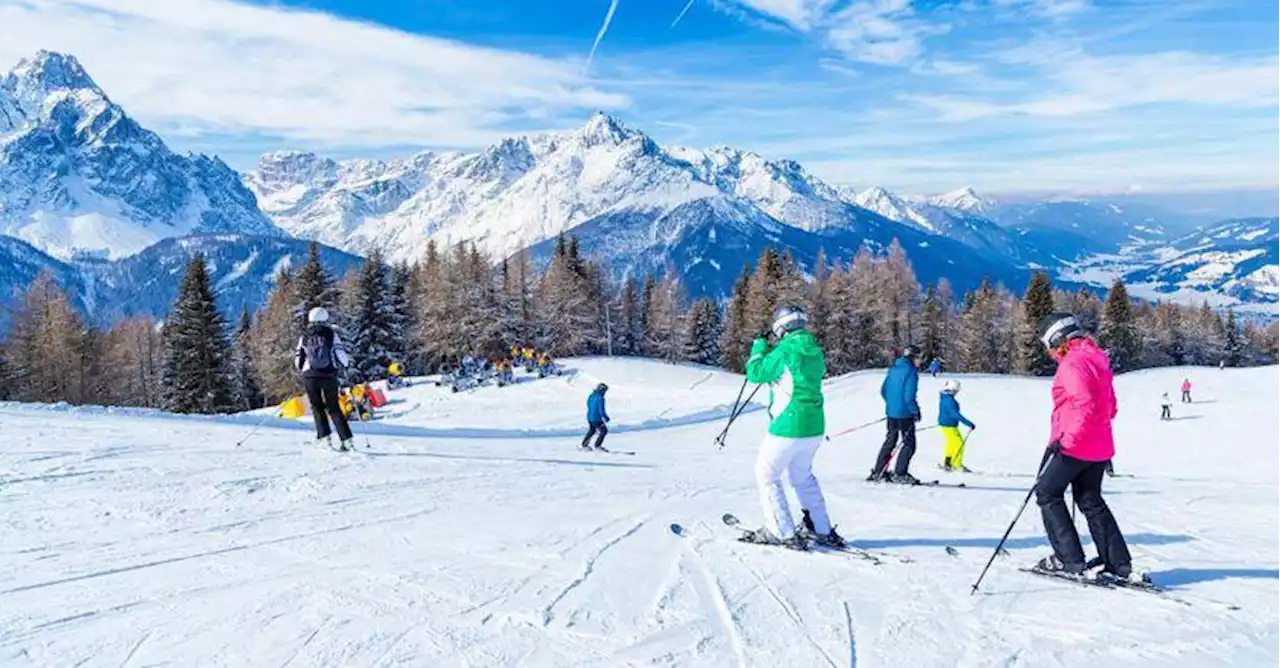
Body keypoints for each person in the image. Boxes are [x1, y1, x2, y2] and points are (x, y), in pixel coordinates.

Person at [1033, 313, 1136, 580]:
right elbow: (1110, 406)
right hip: (1099, 445)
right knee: (1089, 499)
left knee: (1047, 493)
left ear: (1059, 339)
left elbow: (1085, 403)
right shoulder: (1097, 359)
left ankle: (1069, 560)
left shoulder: (1072, 363)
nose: (1051, 352)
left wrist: (1067, 439)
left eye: (1050, 345)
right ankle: (1118, 563)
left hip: (1074, 444)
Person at [742, 305, 842, 549]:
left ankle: (780, 530)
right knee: (802, 476)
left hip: (789, 423)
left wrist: (759, 346)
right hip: (814, 424)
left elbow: (755, 373)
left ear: (781, 328)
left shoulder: (784, 351)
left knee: (766, 474)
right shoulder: (815, 351)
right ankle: (820, 528)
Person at [294, 307, 355, 451]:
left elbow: (298, 359)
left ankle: (325, 439)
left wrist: (303, 369)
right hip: (329, 375)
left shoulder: (304, 336)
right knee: (334, 407)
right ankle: (347, 440)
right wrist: (345, 366)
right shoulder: (331, 334)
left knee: (317, 408)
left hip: (311, 376)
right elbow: (341, 354)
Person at [870, 345, 922, 484]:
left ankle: (879, 471)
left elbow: (883, 390)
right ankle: (900, 473)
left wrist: (892, 404)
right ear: (913, 357)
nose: (919, 361)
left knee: (890, 441)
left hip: (892, 413)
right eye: (919, 357)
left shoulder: (893, 369)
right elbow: (909, 396)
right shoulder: (911, 372)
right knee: (909, 444)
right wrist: (915, 411)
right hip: (904, 413)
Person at [939, 379, 976, 472]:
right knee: (959, 443)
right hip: (949, 426)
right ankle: (956, 464)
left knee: (951, 443)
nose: (957, 392)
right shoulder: (950, 401)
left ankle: (947, 462)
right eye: (956, 390)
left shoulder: (945, 398)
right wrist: (968, 423)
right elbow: (955, 414)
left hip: (945, 425)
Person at [581, 383, 611, 451]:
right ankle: (597, 445)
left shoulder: (592, 395)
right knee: (604, 431)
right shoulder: (600, 398)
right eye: (605, 390)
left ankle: (584, 444)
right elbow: (601, 409)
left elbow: (588, 404)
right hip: (596, 418)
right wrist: (605, 417)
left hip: (589, 417)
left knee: (592, 430)